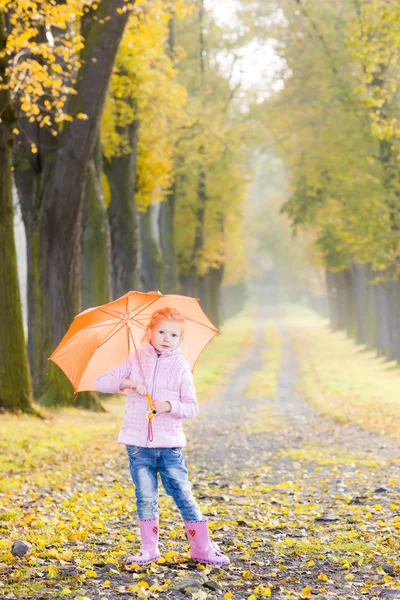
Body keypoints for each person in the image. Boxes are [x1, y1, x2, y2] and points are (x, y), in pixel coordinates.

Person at [94, 307, 230, 567]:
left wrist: (168, 405)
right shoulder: (135, 360)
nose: (167, 338)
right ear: (149, 332)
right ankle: (149, 549)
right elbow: (101, 381)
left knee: (182, 493)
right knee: (145, 496)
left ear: (180, 339)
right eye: (162, 331)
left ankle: (202, 548)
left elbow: (192, 407)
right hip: (138, 446)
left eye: (174, 335)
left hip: (169, 447)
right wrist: (128, 383)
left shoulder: (181, 366)